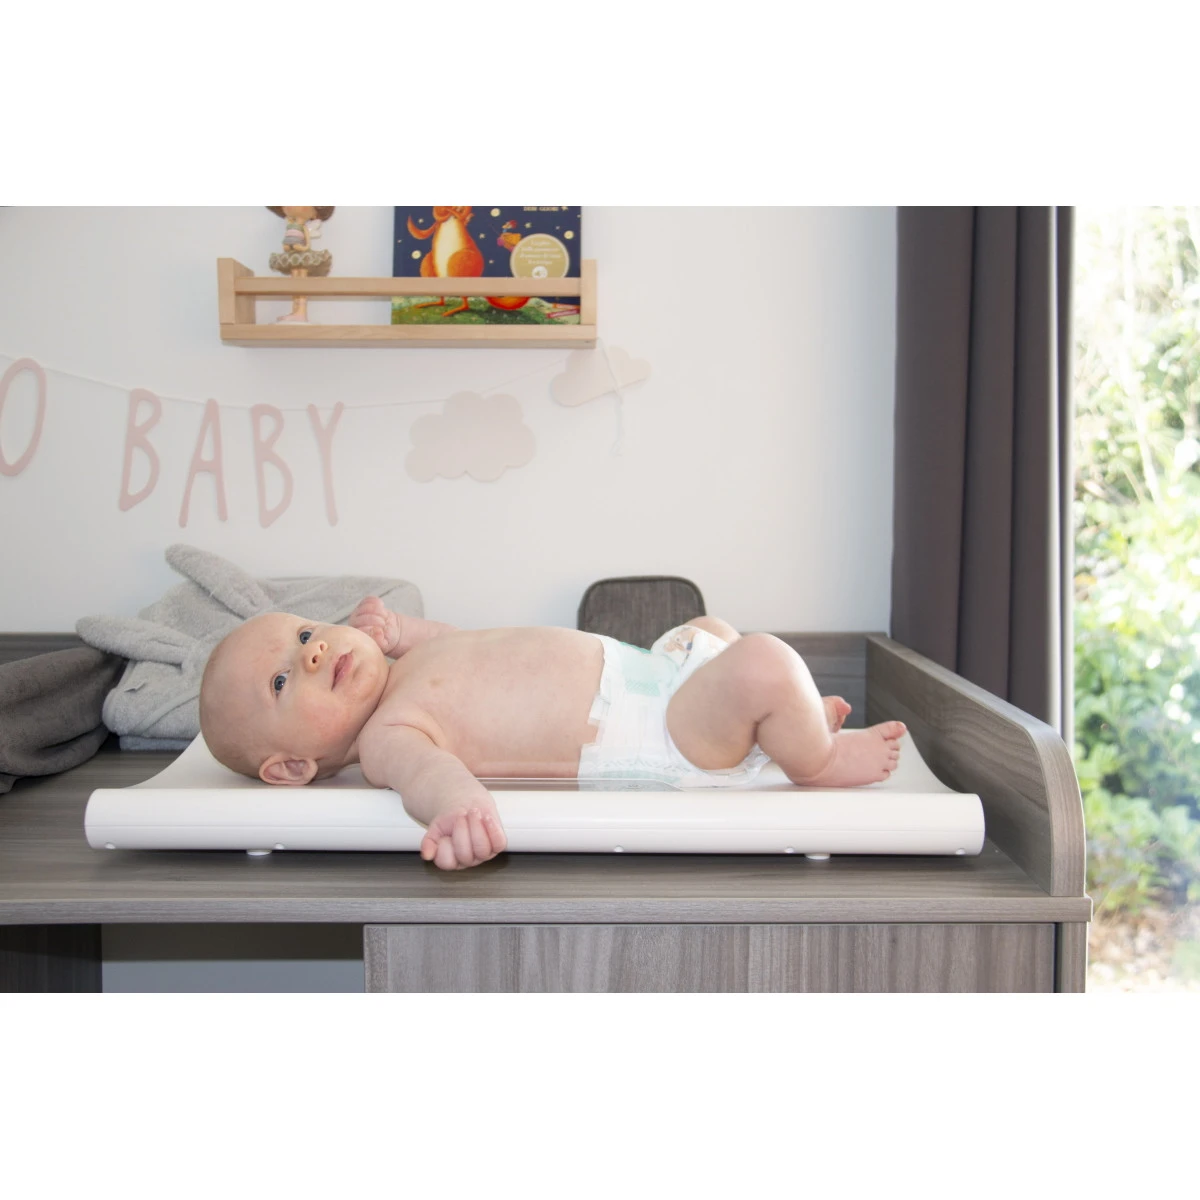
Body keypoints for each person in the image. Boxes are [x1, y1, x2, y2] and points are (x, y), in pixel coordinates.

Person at [199, 597, 907, 872]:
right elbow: (429, 777)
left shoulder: (412, 665)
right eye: (281, 681)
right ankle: (815, 757)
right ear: (291, 766)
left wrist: (404, 628)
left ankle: (780, 725)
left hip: (651, 674)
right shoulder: (390, 734)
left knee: (710, 630)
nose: (313, 652)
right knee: (762, 661)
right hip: (655, 734)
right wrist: (458, 811)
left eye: (303, 633)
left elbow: (467, 640)